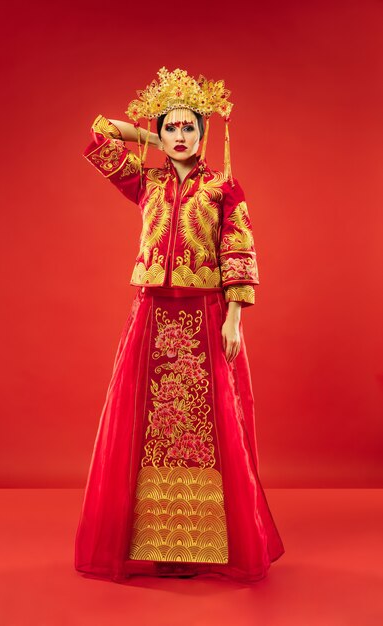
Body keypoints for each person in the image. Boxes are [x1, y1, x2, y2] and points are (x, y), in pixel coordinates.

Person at [74, 67, 285, 583]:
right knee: (147, 426)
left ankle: (206, 544)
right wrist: (150, 137)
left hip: (204, 315)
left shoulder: (223, 187)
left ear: (204, 133)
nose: (181, 136)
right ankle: (152, 539)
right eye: (172, 127)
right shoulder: (145, 182)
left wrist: (234, 319)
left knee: (207, 428)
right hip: (151, 315)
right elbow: (99, 136)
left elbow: (238, 251)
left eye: (190, 127)